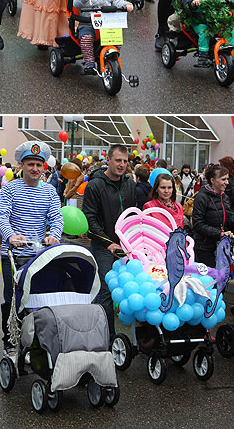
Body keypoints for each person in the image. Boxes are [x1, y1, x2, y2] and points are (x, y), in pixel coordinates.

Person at [0, 140, 63, 352]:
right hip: (14, 255)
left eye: (38, 165)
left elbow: (57, 218)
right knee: (12, 299)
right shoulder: (10, 189)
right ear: (21, 165)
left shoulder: (50, 192)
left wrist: (55, 235)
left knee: (39, 297)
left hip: (38, 255)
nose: (35, 169)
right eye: (30, 164)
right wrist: (11, 235)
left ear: (44, 167)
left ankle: (37, 339)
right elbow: (1, 216)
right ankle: (10, 338)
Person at [83, 145, 136, 340]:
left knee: (129, 287)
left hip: (127, 245)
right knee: (106, 289)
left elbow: (133, 214)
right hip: (104, 245)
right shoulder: (95, 185)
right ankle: (107, 337)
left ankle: (130, 338)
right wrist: (108, 243)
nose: (122, 164)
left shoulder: (129, 184)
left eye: (125, 161)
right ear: (109, 160)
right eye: (118, 160)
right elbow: (90, 219)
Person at [74, 0, 133, 75]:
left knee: (116, 38)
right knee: (86, 38)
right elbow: (76, 4)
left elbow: (118, 1)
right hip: (88, 22)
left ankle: (113, 55)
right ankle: (89, 62)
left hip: (107, 22)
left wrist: (126, 4)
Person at [180, 0, 234, 67]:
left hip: (215, 20)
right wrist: (193, 2)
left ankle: (225, 50)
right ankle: (203, 57)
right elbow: (186, 0)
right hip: (199, 20)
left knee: (231, 30)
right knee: (204, 32)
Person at [191, 163, 234, 266]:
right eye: (223, 179)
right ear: (212, 180)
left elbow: (225, 221)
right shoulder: (202, 197)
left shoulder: (224, 197)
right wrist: (219, 233)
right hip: (204, 248)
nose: (227, 182)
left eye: (227, 179)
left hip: (221, 247)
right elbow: (198, 224)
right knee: (209, 279)